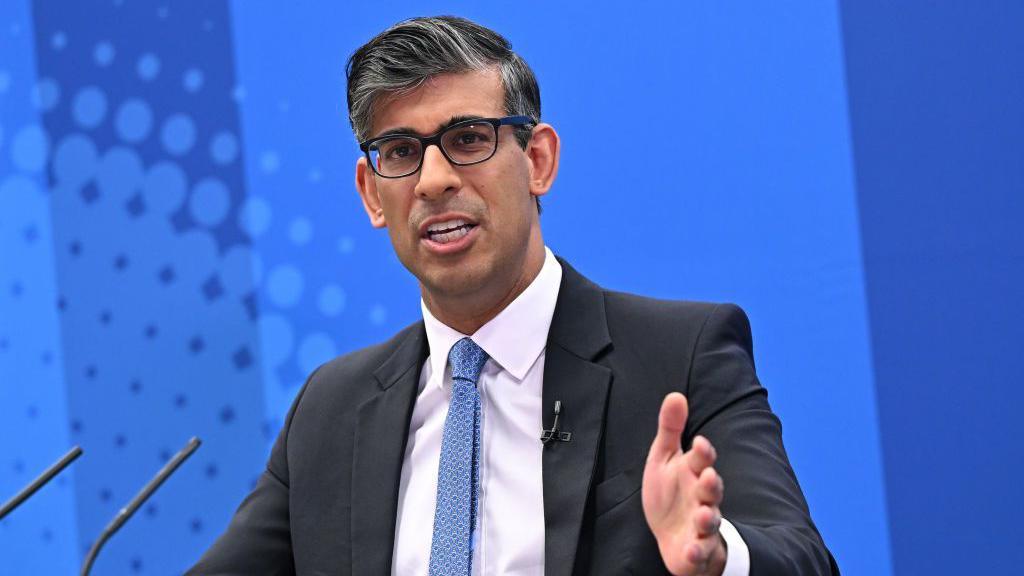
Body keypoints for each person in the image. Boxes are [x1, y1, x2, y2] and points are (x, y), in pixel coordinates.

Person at [189, 16, 838, 576]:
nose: (434, 180)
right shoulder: (330, 410)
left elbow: (801, 558)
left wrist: (716, 556)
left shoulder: (680, 357)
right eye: (401, 151)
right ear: (370, 192)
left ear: (539, 161)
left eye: (468, 138)